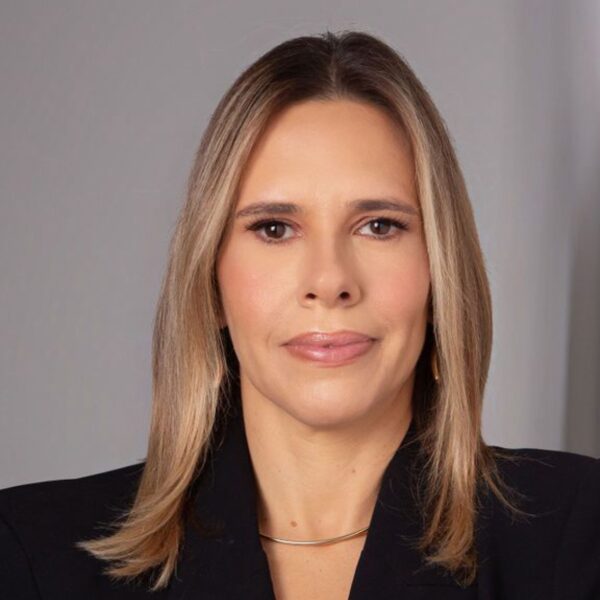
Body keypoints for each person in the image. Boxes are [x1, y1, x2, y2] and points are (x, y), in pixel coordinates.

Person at [1, 29, 599, 600]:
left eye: (379, 226)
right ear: (210, 280)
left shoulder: (579, 534)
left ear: (441, 270)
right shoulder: (32, 556)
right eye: (274, 228)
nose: (329, 281)